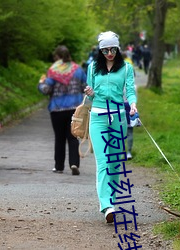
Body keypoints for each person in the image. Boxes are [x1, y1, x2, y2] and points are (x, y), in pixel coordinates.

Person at [84, 31, 137, 223]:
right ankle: (106, 205)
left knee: (115, 161)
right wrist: (89, 92)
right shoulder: (92, 68)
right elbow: (90, 96)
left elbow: (130, 90)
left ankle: (113, 201)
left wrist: (132, 104)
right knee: (103, 161)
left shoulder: (126, 68)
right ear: (100, 50)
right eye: (105, 50)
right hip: (97, 117)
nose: (109, 53)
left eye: (113, 49)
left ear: (118, 48)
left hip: (118, 118)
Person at [38, 45, 87, 175]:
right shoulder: (78, 70)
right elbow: (85, 87)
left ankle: (59, 166)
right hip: (74, 109)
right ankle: (74, 163)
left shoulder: (53, 71)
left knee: (59, 138)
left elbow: (46, 90)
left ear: (57, 57)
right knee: (73, 137)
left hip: (57, 109)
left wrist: (41, 83)